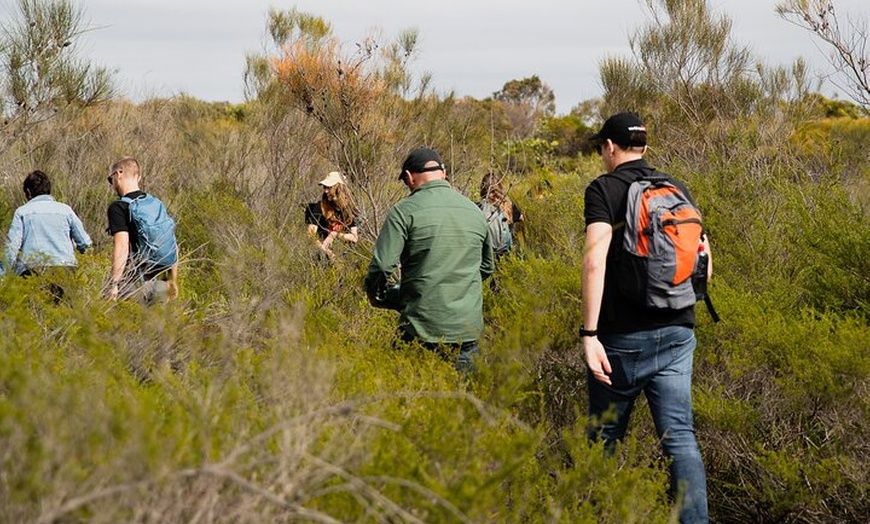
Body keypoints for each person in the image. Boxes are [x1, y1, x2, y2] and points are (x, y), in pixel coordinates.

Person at [581, 112, 710, 523]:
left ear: (610, 147)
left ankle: (596, 515)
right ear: (645, 148)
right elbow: (704, 257)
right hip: (678, 331)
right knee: (680, 439)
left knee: (603, 438)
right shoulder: (677, 187)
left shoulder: (603, 189)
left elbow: (594, 261)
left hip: (622, 339)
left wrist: (589, 333)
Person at [365, 148, 495, 373]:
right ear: (443, 172)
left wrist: (375, 293)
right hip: (467, 332)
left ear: (408, 177)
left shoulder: (403, 212)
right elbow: (486, 267)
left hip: (420, 331)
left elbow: (383, 265)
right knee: (465, 404)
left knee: (412, 402)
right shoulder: (474, 211)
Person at [2, 170, 92, 300]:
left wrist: (4, 273)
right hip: (65, 270)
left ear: (28, 192)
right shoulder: (66, 210)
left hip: (32, 270)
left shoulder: (22, 212)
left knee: (33, 314)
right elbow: (84, 242)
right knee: (64, 314)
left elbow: (12, 247)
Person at [106, 157, 178, 305]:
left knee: (125, 326)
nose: (111, 183)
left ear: (119, 173)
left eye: (110, 178)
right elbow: (170, 242)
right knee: (156, 326)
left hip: (134, 281)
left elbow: (122, 246)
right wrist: (172, 279)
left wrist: (113, 284)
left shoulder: (119, 207)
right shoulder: (156, 203)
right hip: (161, 282)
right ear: (137, 176)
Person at [304, 171, 359, 260]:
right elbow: (310, 235)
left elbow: (354, 237)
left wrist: (335, 235)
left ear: (339, 188)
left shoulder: (349, 209)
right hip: (321, 255)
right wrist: (326, 251)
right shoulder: (319, 207)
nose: (325, 191)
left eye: (329, 188)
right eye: (325, 187)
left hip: (344, 254)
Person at [478, 172, 524, 257]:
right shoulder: (508, 203)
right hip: (505, 248)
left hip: (487, 249)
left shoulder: (481, 206)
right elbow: (521, 218)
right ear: (500, 186)